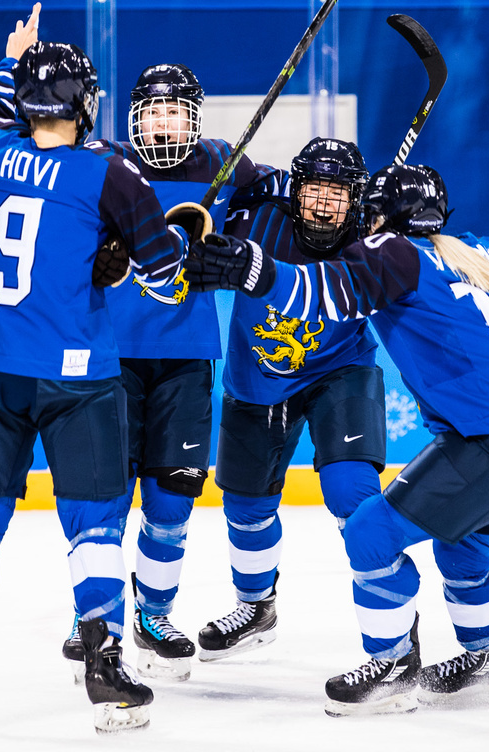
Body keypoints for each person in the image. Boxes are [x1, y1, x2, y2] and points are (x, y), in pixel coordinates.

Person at [0, 63, 276, 684]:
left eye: (173, 111)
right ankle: (96, 623)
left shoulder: (224, 162)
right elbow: (36, 202)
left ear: (193, 117)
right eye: (152, 110)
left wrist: (239, 244)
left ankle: (151, 616)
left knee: (172, 497)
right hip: (108, 357)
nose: (162, 122)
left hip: (185, 354)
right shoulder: (107, 163)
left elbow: (282, 199)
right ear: (128, 115)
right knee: (103, 497)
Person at [185, 163, 489, 716]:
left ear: (381, 216)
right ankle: (488, 658)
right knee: (464, 549)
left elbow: (318, 293)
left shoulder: (394, 253)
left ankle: (393, 665)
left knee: (372, 531)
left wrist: (253, 269)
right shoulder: (487, 251)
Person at [0, 4, 200, 734]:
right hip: (77, 377)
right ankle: (103, 666)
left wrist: (13, 59)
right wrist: (148, 249)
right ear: (84, 106)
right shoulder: (112, 178)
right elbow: (166, 277)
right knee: (93, 525)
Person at [191, 137, 387, 661]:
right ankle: (256, 606)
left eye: (337, 194)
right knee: (245, 507)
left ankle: (393, 640)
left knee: (354, 494)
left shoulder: (375, 234)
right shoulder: (256, 214)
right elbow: (202, 185)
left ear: (357, 200)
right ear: (295, 190)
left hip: (340, 369)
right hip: (257, 378)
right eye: (314, 190)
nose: (323, 205)